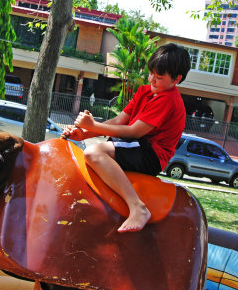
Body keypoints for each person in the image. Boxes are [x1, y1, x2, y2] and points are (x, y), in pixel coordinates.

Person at [62, 43, 191, 233]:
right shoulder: (144, 92)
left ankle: (137, 207)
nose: (152, 80)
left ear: (177, 79)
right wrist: (85, 133)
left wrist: (93, 126)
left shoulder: (169, 99)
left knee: (94, 153)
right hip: (135, 145)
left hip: (151, 154)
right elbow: (118, 121)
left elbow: (134, 132)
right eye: (151, 74)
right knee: (93, 152)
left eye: (159, 77)